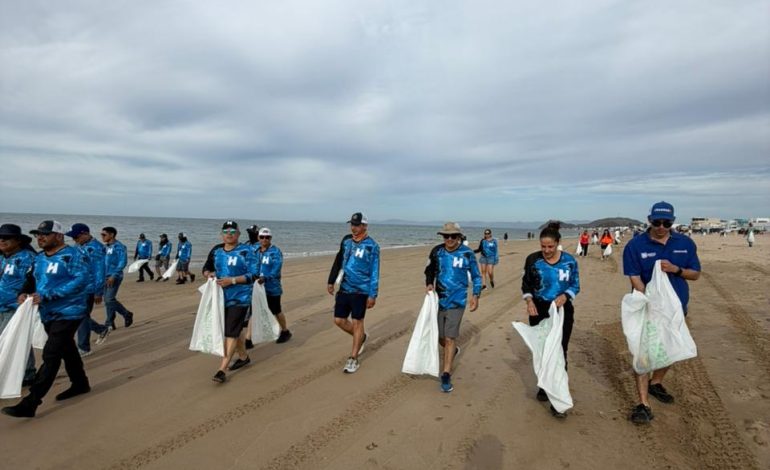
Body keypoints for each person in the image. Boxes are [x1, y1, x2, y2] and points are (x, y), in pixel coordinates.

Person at [1, 221, 91, 419]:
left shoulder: (75, 255)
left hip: (70, 311)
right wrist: (23, 293)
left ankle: (31, 402)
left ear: (58, 236)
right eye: (37, 235)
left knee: (51, 354)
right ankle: (80, 383)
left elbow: (81, 280)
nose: (40, 238)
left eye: (45, 234)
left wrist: (50, 295)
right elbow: (31, 279)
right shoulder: (39, 258)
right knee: (67, 349)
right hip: (47, 312)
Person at [622, 201, 701, 425]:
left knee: (670, 347)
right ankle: (643, 404)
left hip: (675, 310)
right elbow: (634, 276)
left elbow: (695, 274)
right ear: (649, 220)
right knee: (643, 353)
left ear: (673, 222)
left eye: (667, 223)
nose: (661, 227)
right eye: (657, 222)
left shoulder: (685, 243)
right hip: (647, 308)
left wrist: (676, 269)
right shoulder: (635, 245)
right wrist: (649, 298)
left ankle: (656, 382)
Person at [521, 222, 580, 417]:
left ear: (557, 244)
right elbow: (526, 284)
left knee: (559, 350)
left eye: (550, 247)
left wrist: (566, 296)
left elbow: (575, 284)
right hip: (538, 309)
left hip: (562, 311)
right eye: (543, 246)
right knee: (542, 350)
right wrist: (529, 301)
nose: (546, 250)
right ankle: (544, 386)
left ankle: (557, 397)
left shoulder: (569, 261)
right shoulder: (532, 260)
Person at [425, 222, 481, 393]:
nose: (449, 239)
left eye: (453, 236)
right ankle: (454, 350)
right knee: (440, 337)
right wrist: (428, 284)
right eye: (446, 236)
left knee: (449, 337)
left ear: (459, 237)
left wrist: (476, 295)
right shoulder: (437, 251)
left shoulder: (467, 253)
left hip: (457, 301)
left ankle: (446, 373)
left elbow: (477, 276)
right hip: (439, 300)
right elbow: (429, 270)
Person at [202, 221, 259, 383]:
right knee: (233, 330)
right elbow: (206, 268)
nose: (229, 234)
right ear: (221, 234)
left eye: (233, 231)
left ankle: (222, 369)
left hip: (241, 298)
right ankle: (244, 356)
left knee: (230, 332)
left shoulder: (247, 251)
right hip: (221, 298)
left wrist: (232, 281)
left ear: (239, 234)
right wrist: (209, 274)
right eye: (226, 231)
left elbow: (253, 274)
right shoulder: (216, 251)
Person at [326, 212, 380, 374]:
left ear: (364, 226)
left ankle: (353, 358)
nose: (354, 228)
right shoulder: (347, 242)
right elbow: (338, 260)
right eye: (352, 224)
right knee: (339, 320)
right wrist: (331, 280)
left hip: (361, 290)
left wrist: (373, 294)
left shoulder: (372, 246)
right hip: (344, 287)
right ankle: (361, 337)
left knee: (358, 322)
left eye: (357, 225)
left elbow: (375, 271)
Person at [0, 224, 38, 386]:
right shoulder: (2, 257)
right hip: (1, 305)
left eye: (6, 238)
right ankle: (28, 372)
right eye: (0, 238)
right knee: (17, 339)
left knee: (8, 340)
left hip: (15, 307)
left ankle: (22, 374)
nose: (2, 241)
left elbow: (33, 280)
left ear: (17, 240)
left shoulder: (28, 257)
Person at [65, 223, 110, 356]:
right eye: (73, 237)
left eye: (76, 237)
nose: (74, 239)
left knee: (80, 315)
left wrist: (98, 291)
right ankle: (101, 329)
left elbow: (100, 271)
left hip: (89, 287)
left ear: (85, 234)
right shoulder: (79, 245)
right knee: (80, 315)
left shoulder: (96, 249)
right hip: (76, 286)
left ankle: (84, 347)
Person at [256, 228, 292, 343]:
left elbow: (276, 269)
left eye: (267, 237)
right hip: (258, 287)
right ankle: (252, 336)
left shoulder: (276, 252)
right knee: (256, 310)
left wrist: (265, 278)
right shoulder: (255, 251)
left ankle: (285, 331)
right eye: (262, 237)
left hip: (272, 287)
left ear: (270, 238)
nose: (264, 239)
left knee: (276, 310)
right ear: (258, 238)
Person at [101, 226, 134, 329]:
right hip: (104, 276)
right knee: (107, 300)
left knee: (109, 299)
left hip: (114, 277)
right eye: (101, 235)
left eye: (104, 234)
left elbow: (122, 262)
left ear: (111, 235)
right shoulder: (106, 247)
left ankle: (126, 314)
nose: (102, 237)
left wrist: (114, 275)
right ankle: (110, 322)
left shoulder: (119, 246)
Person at [242, 224, 260, 349]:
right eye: (249, 232)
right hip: (244, 279)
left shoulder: (261, 247)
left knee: (253, 308)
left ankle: (248, 338)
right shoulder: (245, 245)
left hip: (257, 280)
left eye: (252, 232)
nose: (250, 234)